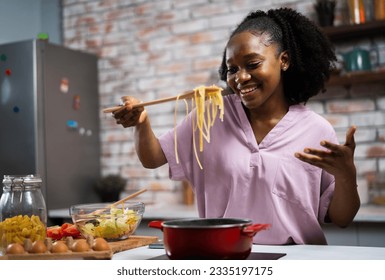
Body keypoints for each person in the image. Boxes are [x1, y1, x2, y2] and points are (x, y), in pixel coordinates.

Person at [112, 7, 360, 245]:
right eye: (232, 69)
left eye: (252, 64)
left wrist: (346, 174)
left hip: (297, 261)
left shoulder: (317, 130)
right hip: (223, 255)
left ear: (283, 60)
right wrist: (141, 123)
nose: (240, 77)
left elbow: (341, 218)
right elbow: (153, 157)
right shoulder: (210, 116)